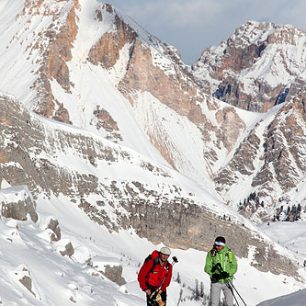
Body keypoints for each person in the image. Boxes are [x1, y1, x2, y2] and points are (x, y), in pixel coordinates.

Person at [204, 236, 237, 306]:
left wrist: (228, 274)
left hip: (227, 281)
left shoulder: (229, 253)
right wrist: (213, 274)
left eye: (219, 245)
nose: (217, 247)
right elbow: (207, 267)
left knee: (230, 303)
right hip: (216, 282)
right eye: (216, 244)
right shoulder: (211, 253)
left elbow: (234, 266)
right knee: (214, 304)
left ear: (223, 245)